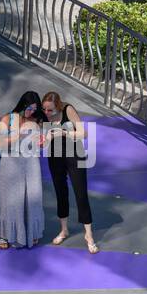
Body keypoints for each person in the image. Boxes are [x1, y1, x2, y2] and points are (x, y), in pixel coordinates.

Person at [42, 90, 98, 253]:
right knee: (60, 192)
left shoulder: (68, 110)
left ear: (58, 106)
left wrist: (64, 133)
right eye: (44, 109)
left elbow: (84, 133)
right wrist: (43, 139)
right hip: (55, 156)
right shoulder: (43, 114)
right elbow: (42, 137)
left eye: (50, 110)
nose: (46, 113)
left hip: (75, 155)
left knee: (81, 194)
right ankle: (64, 230)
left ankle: (88, 235)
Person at [0, 92, 46, 250]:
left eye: (35, 109)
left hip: (31, 162)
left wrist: (42, 142)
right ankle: (5, 235)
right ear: (22, 105)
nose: (31, 112)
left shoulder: (37, 119)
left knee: (34, 198)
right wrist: (17, 137)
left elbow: (41, 144)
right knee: (10, 201)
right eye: (29, 108)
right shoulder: (7, 119)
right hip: (10, 163)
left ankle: (32, 232)